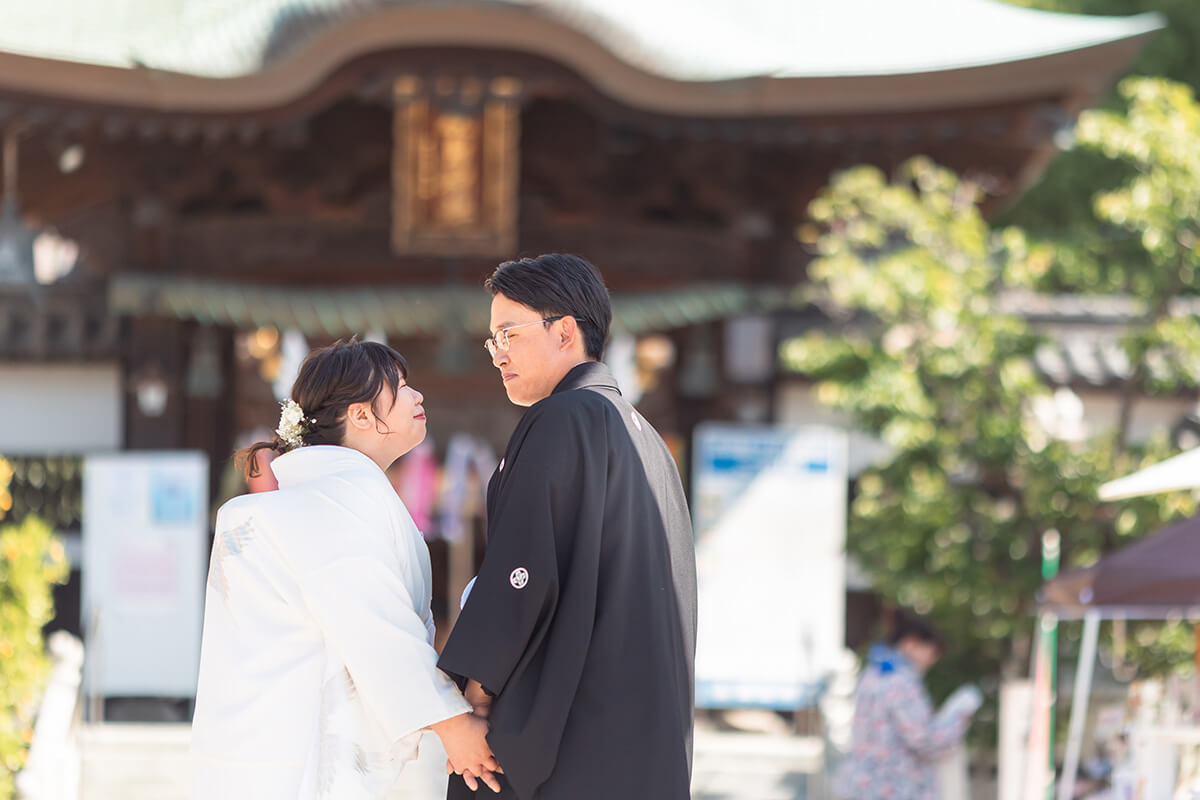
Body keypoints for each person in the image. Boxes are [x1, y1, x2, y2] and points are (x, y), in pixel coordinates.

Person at [437, 253, 698, 800]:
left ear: (564, 332)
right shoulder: (645, 437)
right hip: (643, 746)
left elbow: (525, 571)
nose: (497, 354)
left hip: (573, 743)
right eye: (492, 340)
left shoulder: (564, 417)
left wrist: (476, 692)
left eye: (508, 333)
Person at [191, 339, 501, 798]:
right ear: (360, 416)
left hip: (263, 748)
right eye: (400, 387)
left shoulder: (319, 500)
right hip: (297, 759)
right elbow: (373, 625)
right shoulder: (332, 503)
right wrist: (454, 725)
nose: (418, 396)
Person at [833, 613, 979, 800]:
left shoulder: (872, 673)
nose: (932, 661)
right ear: (911, 643)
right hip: (893, 787)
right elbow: (924, 739)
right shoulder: (901, 681)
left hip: (864, 785)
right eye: (932, 653)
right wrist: (959, 719)